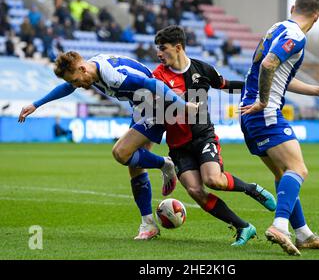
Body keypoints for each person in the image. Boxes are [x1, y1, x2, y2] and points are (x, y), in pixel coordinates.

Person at [18, 52, 199, 240]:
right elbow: (67, 87)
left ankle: (165, 164)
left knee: (121, 153)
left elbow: (153, 84)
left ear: (82, 68)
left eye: (76, 80)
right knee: (134, 167)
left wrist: (182, 105)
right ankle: (149, 224)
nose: (77, 85)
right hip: (141, 108)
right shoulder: (90, 70)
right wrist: (36, 104)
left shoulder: (114, 76)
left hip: (159, 106)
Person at [239, 0, 319, 255]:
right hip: (264, 112)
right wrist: (264, 102)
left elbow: (278, 74)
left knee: (282, 173)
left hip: (248, 112)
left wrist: (317, 90)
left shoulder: (277, 28)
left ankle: (303, 234)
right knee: (298, 169)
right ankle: (279, 226)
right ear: (317, 16)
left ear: (293, 6)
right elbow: (268, 64)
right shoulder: (296, 35)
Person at [152, 25, 276, 246]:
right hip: (178, 147)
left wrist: (258, 87)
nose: (159, 53)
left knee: (213, 180)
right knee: (195, 191)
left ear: (178, 47)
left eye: (163, 48)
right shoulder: (158, 75)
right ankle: (243, 227)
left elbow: (226, 85)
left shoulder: (202, 70)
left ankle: (251, 189)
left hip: (203, 137)